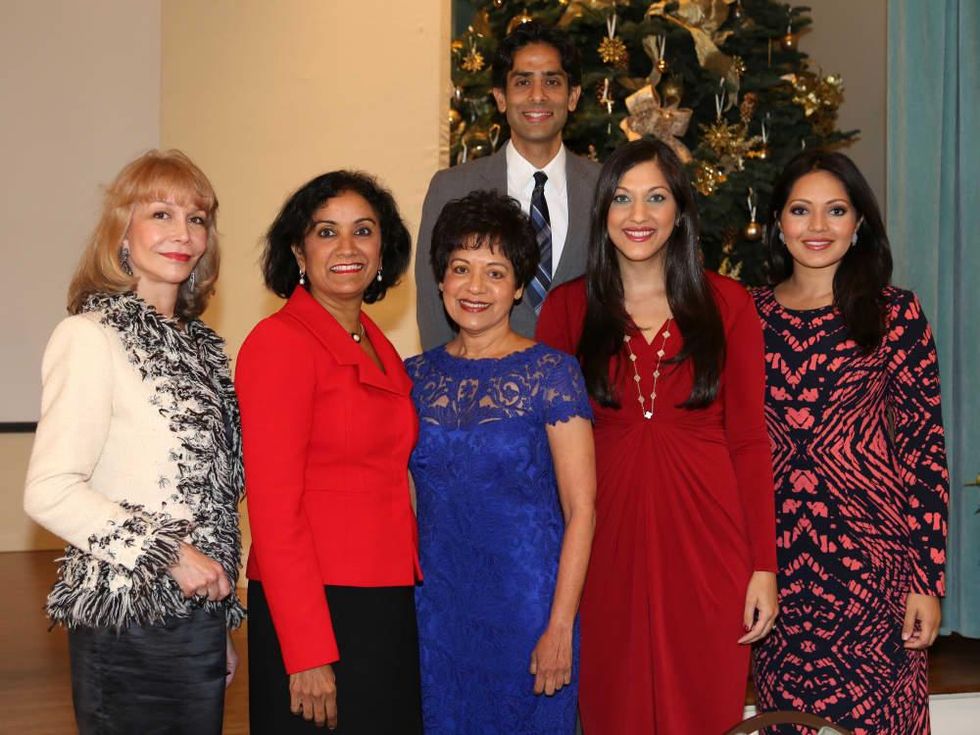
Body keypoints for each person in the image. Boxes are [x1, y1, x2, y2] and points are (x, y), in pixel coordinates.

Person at [536, 139, 778, 734]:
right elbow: (544, 458)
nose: (638, 215)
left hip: (711, 552)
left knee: (702, 709)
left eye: (656, 198)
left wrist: (764, 566)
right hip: (604, 551)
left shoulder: (729, 303)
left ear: (680, 211)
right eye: (622, 198)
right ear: (603, 211)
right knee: (613, 708)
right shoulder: (566, 310)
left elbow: (750, 441)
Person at [23, 149, 243, 734]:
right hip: (125, 623)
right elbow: (49, 490)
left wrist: (216, 622)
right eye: (160, 214)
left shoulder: (203, 352)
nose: (183, 233)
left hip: (193, 624)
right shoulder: (89, 337)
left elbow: (209, 501)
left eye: (196, 218)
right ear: (122, 233)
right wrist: (169, 553)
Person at [751, 150, 949, 734]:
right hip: (781, 571)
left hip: (876, 575)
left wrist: (927, 581)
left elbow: (924, 452)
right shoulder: (745, 316)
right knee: (790, 721)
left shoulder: (895, 313)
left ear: (859, 222)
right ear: (777, 222)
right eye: (800, 210)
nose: (818, 227)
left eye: (835, 210)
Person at [236, 170, 421, 734]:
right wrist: (307, 651)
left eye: (363, 231)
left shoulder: (376, 342)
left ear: (382, 249)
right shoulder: (280, 343)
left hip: (384, 599)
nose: (347, 247)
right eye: (326, 232)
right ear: (299, 251)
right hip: (316, 605)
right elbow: (274, 511)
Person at [407, 190, 596, 734]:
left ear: (518, 287)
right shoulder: (412, 378)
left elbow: (581, 509)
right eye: (461, 268)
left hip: (530, 616)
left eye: (495, 273)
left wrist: (560, 626)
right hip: (437, 617)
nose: (475, 287)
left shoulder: (552, 374)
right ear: (440, 279)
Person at [416, 21, 600, 348]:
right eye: (523, 82)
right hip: (481, 377)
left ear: (572, 96)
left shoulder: (606, 187)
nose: (538, 96)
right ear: (501, 97)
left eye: (552, 82)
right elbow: (433, 306)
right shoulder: (452, 188)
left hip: (585, 378)